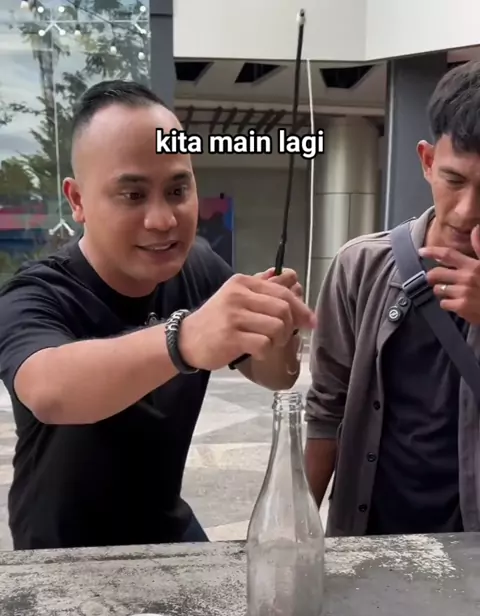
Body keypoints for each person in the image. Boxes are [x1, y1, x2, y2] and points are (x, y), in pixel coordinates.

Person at [0, 80, 315, 550]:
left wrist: (277, 332)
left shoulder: (200, 266)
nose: (163, 219)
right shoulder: (36, 292)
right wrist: (183, 339)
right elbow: (48, 391)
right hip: (62, 550)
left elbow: (274, 377)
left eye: (177, 189)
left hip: (167, 529)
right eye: (133, 195)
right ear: (78, 200)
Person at [305, 60, 480, 537]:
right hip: (370, 538)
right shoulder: (360, 266)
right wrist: (296, 530)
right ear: (427, 161)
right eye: (454, 180)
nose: (467, 211)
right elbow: (327, 409)